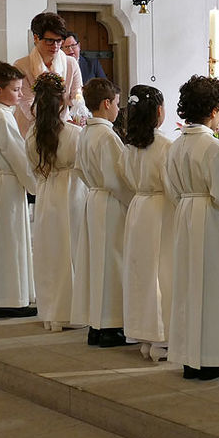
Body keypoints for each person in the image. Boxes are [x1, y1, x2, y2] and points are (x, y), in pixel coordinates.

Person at [166, 75, 219, 381]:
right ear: (215, 109)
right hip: (211, 217)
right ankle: (215, 358)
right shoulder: (214, 148)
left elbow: (171, 188)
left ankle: (192, 356)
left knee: (190, 286)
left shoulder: (177, 145)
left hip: (186, 213)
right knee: (215, 287)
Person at [72, 77, 134, 347]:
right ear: (106, 103)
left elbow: (79, 169)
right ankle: (111, 325)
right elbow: (119, 178)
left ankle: (96, 324)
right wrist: (134, 201)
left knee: (95, 262)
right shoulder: (107, 135)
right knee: (112, 262)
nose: (118, 109)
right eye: (117, 104)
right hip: (109, 202)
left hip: (93, 198)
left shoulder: (86, 132)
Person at [26, 72, 87, 332]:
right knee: (71, 251)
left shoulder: (32, 133)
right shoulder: (74, 133)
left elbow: (31, 165)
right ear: (63, 102)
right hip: (71, 193)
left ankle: (51, 312)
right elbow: (85, 168)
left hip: (47, 191)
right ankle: (72, 312)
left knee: (50, 252)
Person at [121, 85, 174, 362]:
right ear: (158, 111)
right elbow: (172, 184)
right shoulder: (165, 146)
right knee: (161, 272)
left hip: (139, 207)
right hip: (160, 209)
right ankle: (161, 336)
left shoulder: (130, 145)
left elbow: (127, 178)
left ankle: (144, 333)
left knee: (142, 272)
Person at [0, 62, 38, 318]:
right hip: (7, 183)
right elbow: (18, 156)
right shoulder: (2, 118)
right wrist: (36, 186)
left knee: (2, 243)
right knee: (10, 242)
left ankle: (1, 297)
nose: (21, 95)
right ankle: (12, 300)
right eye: (16, 90)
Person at [13, 12, 84, 136]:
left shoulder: (71, 64)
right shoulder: (21, 66)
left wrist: (79, 112)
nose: (55, 46)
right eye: (50, 41)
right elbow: (28, 105)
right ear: (36, 38)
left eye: (59, 41)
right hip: (31, 130)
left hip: (63, 127)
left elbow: (76, 97)